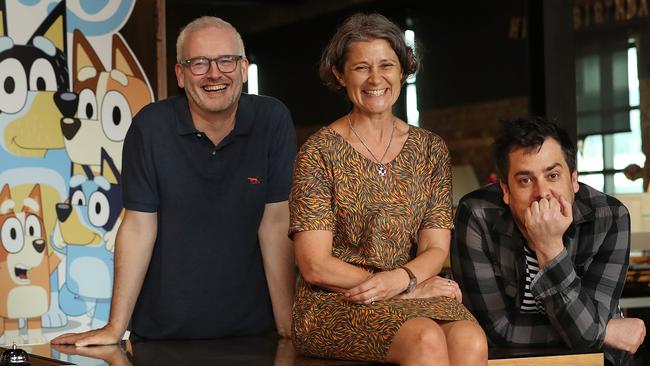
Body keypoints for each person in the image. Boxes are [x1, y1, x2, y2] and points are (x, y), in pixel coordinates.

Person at [51, 16, 296, 345]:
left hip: (254, 332)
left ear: (243, 68)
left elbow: (276, 222)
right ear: (180, 74)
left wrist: (289, 327)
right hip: (161, 335)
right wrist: (114, 327)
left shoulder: (272, 120)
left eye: (226, 60)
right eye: (199, 63)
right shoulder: (150, 127)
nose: (214, 74)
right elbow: (138, 226)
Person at [289, 13, 487, 365]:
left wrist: (404, 282)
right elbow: (315, 265)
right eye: (361, 67)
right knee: (425, 338)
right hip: (336, 301)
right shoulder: (318, 152)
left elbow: (435, 247)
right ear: (339, 74)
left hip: (411, 288)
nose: (375, 78)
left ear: (403, 71)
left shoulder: (430, 149)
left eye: (386, 65)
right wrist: (401, 290)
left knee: (470, 339)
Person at [451, 117, 646, 365]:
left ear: (574, 180)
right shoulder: (477, 214)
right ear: (506, 191)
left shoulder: (610, 217)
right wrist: (603, 331)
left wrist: (550, 248)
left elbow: (588, 341)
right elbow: (496, 329)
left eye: (553, 175)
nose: (542, 192)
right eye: (525, 180)